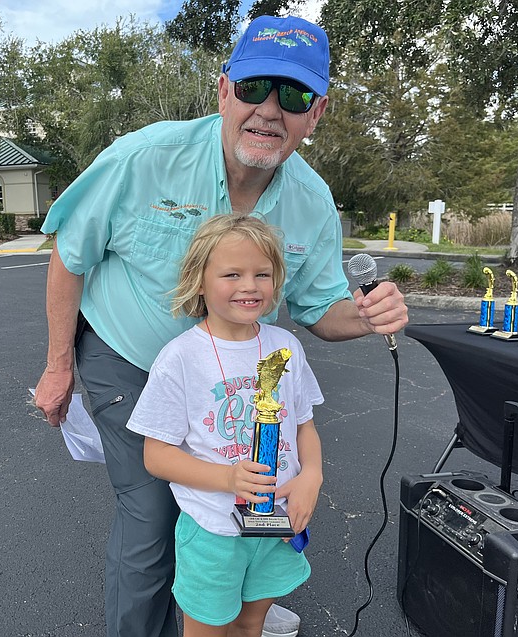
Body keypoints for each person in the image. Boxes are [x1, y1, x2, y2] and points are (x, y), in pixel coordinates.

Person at [34, 15, 408, 637]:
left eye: (292, 96)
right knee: (154, 512)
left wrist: (369, 316)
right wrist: (57, 366)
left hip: (233, 375)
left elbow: (320, 310)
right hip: (128, 359)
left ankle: (226, 599)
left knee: (240, 490)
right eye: (256, 86)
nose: (268, 110)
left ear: (315, 114)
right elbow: (70, 257)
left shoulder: (311, 202)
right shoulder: (145, 157)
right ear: (223, 90)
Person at [127, 215, 324, 636]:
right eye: (232, 274)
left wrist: (312, 476)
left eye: (262, 274)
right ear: (199, 280)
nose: (249, 286)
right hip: (214, 529)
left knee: (251, 624)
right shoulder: (180, 358)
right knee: (209, 629)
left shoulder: (285, 347)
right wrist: (228, 477)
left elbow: (305, 425)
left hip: (278, 522)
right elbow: (156, 456)